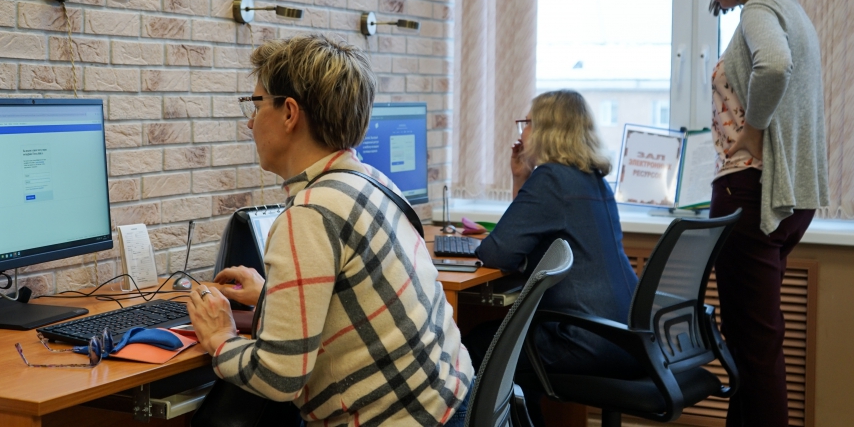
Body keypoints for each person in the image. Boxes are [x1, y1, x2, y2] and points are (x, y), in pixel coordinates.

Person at [184, 34, 474, 427]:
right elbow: (353, 294)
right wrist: (273, 296)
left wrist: (220, 338)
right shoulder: (372, 181)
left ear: (289, 113)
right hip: (452, 403)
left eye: (256, 104)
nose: (250, 121)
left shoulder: (310, 214)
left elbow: (278, 376)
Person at [698, 0, 829, 427]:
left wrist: (752, 131)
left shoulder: (758, 10)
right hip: (789, 197)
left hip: (749, 191)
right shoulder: (792, 11)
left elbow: (773, 66)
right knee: (757, 345)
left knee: (753, 351)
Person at [465, 89, 640, 425]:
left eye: (528, 123)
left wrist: (528, 179)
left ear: (548, 129)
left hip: (583, 341)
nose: (522, 132)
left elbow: (497, 251)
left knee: (475, 344)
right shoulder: (593, 181)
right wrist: (521, 178)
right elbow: (525, 236)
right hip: (626, 337)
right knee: (513, 342)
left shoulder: (552, 179)